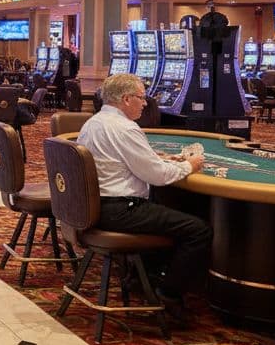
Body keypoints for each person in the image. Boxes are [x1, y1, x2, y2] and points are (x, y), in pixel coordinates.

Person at [77, 73, 211, 317]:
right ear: (126, 99)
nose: (145, 103)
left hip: (95, 206)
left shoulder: (94, 122)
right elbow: (157, 176)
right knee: (198, 229)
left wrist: (158, 158)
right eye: (141, 97)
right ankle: (169, 293)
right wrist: (190, 165)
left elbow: (124, 160)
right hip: (119, 210)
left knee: (162, 206)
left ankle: (142, 279)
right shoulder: (126, 128)